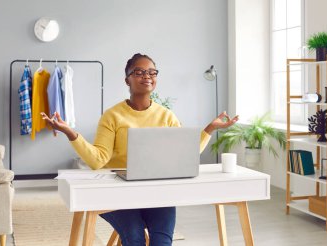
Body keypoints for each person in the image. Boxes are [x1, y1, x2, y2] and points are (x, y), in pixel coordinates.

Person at [41, 53, 239, 246]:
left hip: (156, 191)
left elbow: (184, 154)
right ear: (127, 80)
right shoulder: (112, 116)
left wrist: (210, 128)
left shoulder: (167, 116)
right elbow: (98, 160)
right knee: (134, 238)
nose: (147, 76)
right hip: (117, 193)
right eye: (139, 72)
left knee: (161, 241)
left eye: (152, 72)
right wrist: (70, 133)